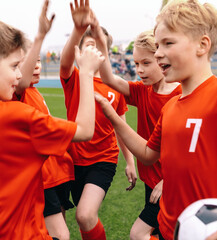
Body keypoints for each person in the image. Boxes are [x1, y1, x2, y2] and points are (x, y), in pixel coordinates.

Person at [94, 0, 217, 239]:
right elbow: (148, 155)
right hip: (171, 231)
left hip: (213, 233)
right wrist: (114, 117)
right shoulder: (170, 108)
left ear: (202, 45)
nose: (158, 53)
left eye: (168, 43)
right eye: (157, 45)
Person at [0, 16, 105, 239]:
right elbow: (84, 130)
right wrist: (87, 73)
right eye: (15, 66)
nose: (18, 74)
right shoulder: (18, 116)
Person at [93, 25, 181, 240]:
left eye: (146, 63)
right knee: (162, 233)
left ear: (162, 59)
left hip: (168, 183)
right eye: (136, 64)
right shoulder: (144, 91)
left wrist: (169, 180)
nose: (139, 70)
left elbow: (187, 147)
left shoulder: (180, 95)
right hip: (151, 180)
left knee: (138, 234)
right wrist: (102, 44)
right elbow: (109, 80)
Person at [59, 0, 137, 239]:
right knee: (84, 219)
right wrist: (78, 30)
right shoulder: (74, 77)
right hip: (74, 159)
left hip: (103, 159)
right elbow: (64, 62)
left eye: (97, 47)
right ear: (80, 51)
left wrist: (130, 161)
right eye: (87, 45)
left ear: (105, 52)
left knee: (84, 215)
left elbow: (120, 126)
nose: (93, 51)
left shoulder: (114, 86)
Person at [13, 1, 73, 239]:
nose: (36, 67)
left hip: (56, 173)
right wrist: (40, 35)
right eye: (28, 63)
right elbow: (23, 81)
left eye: (38, 61)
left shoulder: (35, 92)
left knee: (57, 227)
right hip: (41, 177)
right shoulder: (19, 91)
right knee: (61, 234)